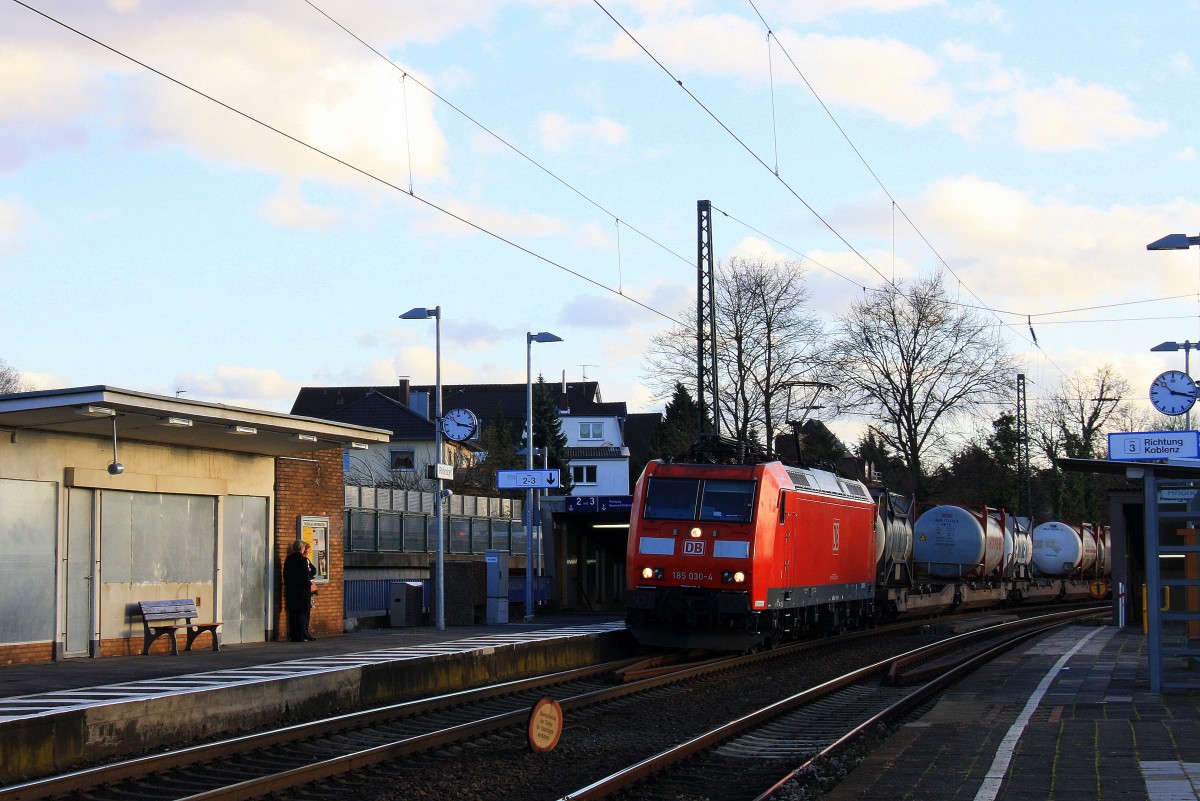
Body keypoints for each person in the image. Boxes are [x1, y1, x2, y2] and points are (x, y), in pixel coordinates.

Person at [284, 540, 317, 641]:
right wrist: (309, 584)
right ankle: (300, 635)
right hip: (302, 591)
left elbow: (285, 575)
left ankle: (293, 635)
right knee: (301, 614)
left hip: (290, 590)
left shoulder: (288, 559)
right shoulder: (303, 560)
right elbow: (305, 576)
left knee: (292, 613)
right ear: (301, 548)